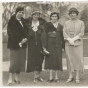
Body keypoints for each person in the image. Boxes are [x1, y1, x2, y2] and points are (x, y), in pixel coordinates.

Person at [63, 8, 85, 83]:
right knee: (69, 59)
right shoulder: (66, 23)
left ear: (76, 14)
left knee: (77, 59)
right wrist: (69, 40)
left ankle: (77, 76)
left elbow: (81, 33)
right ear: (69, 14)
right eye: (71, 13)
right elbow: (64, 32)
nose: (72, 14)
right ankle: (70, 76)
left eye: (74, 13)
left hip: (78, 44)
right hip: (68, 44)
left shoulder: (81, 22)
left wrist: (74, 39)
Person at [7, 7, 28, 85]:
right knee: (14, 62)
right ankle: (10, 79)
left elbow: (27, 32)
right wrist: (19, 41)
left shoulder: (24, 21)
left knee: (20, 62)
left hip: (23, 45)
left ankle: (16, 79)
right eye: (19, 12)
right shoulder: (11, 21)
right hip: (14, 44)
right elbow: (10, 33)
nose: (21, 13)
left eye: (22, 12)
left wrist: (25, 39)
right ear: (16, 12)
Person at [42, 12, 65, 83]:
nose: (54, 18)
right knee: (50, 60)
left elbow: (63, 38)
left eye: (55, 16)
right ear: (50, 17)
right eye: (53, 16)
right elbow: (44, 36)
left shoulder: (60, 26)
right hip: (49, 45)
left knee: (57, 60)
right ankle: (50, 77)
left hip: (58, 45)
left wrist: (63, 47)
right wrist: (44, 47)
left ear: (57, 18)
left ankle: (56, 77)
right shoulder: (47, 25)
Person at [25, 10, 46, 82]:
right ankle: (35, 77)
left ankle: (38, 75)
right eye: (35, 15)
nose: (36, 16)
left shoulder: (42, 23)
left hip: (40, 43)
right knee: (33, 59)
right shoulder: (28, 23)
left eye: (38, 15)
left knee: (40, 59)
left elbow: (45, 33)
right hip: (31, 44)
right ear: (32, 15)